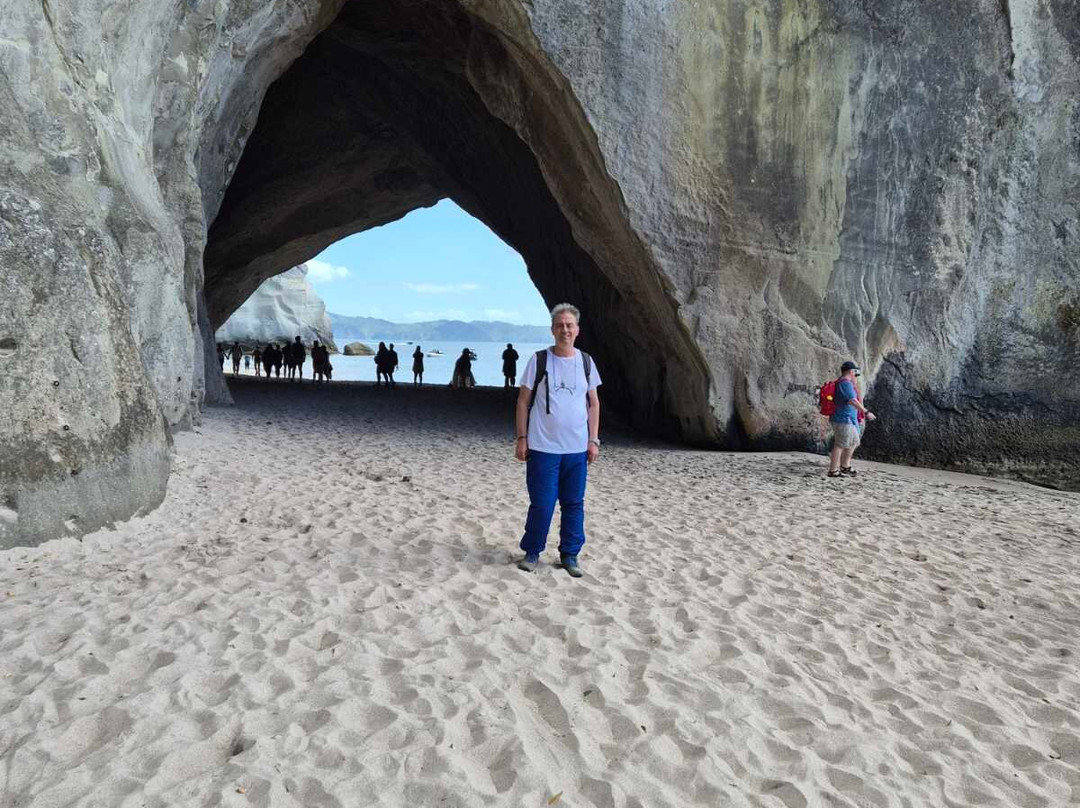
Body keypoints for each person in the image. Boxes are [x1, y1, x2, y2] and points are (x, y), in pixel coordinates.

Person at [515, 304, 601, 578]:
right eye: (560, 325)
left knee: (574, 503)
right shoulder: (539, 360)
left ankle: (570, 554)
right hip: (543, 447)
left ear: (577, 330)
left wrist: (594, 440)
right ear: (553, 330)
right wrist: (521, 438)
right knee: (542, 502)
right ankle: (532, 551)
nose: (565, 329)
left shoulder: (586, 362)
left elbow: (594, 403)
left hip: (576, 449)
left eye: (570, 325)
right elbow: (523, 401)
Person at [827, 361, 876, 478]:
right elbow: (852, 400)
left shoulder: (847, 383)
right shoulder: (845, 384)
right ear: (851, 371)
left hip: (848, 419)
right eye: (855, 372)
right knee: (840, 444)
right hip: (843, 419)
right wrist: (866, 412)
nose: (856, 374)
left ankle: (845, 465)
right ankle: (833, 470)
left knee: (854, 442)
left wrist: (854, 382)